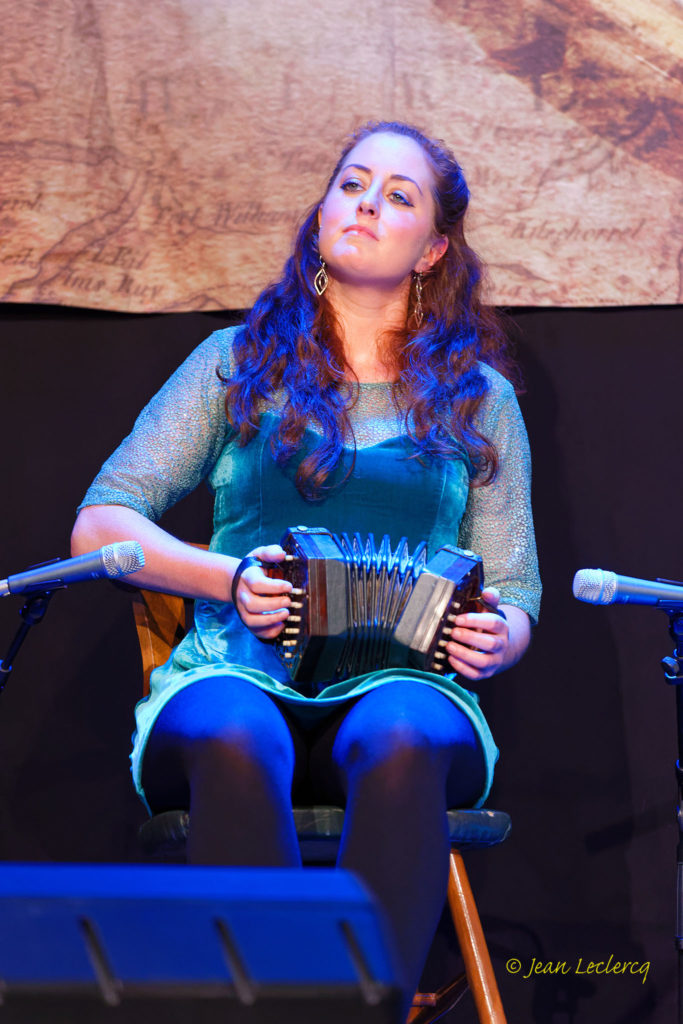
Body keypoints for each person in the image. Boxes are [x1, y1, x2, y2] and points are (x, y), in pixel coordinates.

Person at [71, 120, 541, 1010]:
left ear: (433, 249)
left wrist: (500, 635)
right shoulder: (235, 363)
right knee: (234, 729)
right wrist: (226, 580)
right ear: (320, 214)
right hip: (234, 671)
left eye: (397, 196)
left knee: (401, 730)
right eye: (350, 185)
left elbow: (513, 585)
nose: (365, 204)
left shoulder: (481, 399)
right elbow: (101, 524)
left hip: (407, 685)